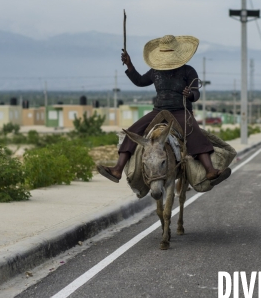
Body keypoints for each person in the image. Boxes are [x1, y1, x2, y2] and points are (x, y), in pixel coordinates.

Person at [97, 34, 231, 186]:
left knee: (194, 131)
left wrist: (190, 94)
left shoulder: (188, 71)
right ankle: (118, 169)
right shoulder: (155, 71)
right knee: (133, 131)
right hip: (158, 111)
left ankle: (210, 170)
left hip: (181, 111)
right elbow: (140, 81)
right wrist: (129, 65)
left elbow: (196, 93)